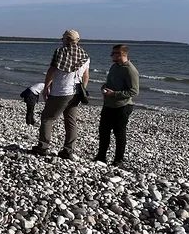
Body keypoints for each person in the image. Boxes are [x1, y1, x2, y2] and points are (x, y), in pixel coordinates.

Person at [32, 30, 90, 159]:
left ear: (65, 40)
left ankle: (43, 146)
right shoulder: (84, 55)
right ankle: (68, 150)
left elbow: (51, 71)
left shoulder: (60, 52)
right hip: (76, 92)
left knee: (47, 118)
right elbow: (86, 75)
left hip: (61, 91)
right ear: (77, 40)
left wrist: (46, 87)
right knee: (71, 121)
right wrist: (83, 90)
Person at [95, 45, 140, 167]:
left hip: (122, 106)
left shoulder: (130, 70)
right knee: (103, 131)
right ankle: (101, 156)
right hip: (108, 105)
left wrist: (114, 93)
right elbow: (112, 82)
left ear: (121, 54)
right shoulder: (114, 66)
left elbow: (134, 91)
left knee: (119, 134)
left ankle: (118, 160)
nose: (111, 56)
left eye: (113, 53)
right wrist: (105, 87)